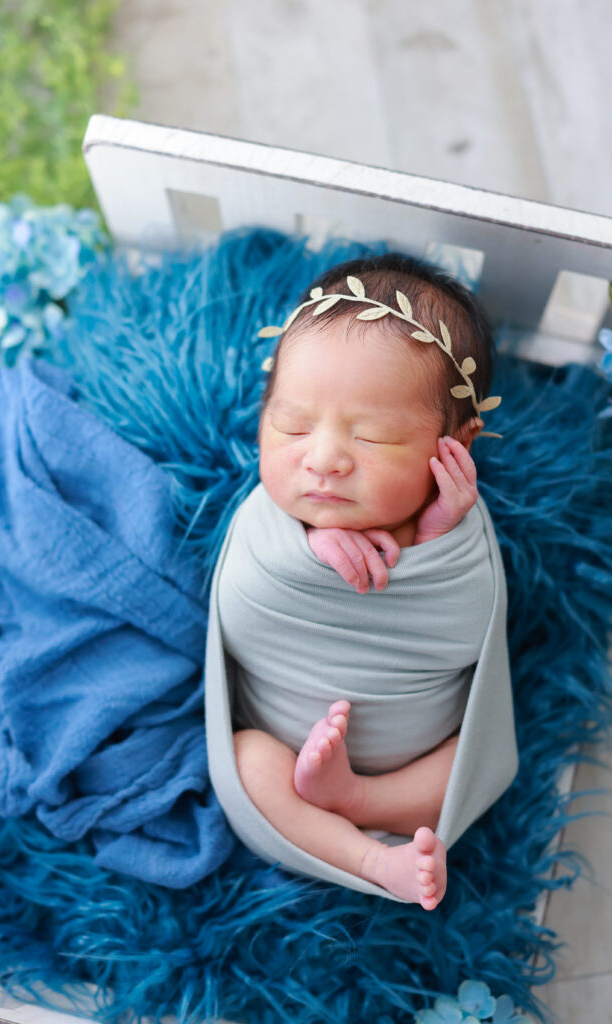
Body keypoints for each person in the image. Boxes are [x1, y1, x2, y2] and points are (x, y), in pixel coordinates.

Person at [215, 253, 503, 910]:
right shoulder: (271, 522)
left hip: (412, 764)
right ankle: (374, 859)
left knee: (470, 760)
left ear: (457, 445)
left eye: (371, 438)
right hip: (281, 744)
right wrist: (306, 546)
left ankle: (361, 800)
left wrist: (436, 539)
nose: (323, 459)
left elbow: (468, 637)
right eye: (292, 424)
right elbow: (239, 612)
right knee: (247, 758)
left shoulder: (458, 535)